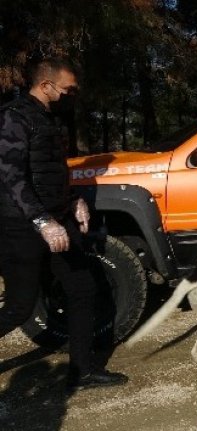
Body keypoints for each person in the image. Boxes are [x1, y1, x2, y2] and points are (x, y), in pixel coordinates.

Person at [0, 58, 128, 391]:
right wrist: (42, 221)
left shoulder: (51, 120)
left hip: (59, 219)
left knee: (83, 289)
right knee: (18, 307)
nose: (73, 94)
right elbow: (12, 177)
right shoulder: (14, 118)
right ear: (46, 86)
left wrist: (75, 201)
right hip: (23, 226)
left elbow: (53, 172)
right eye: (69, 88)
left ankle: (81, 372)